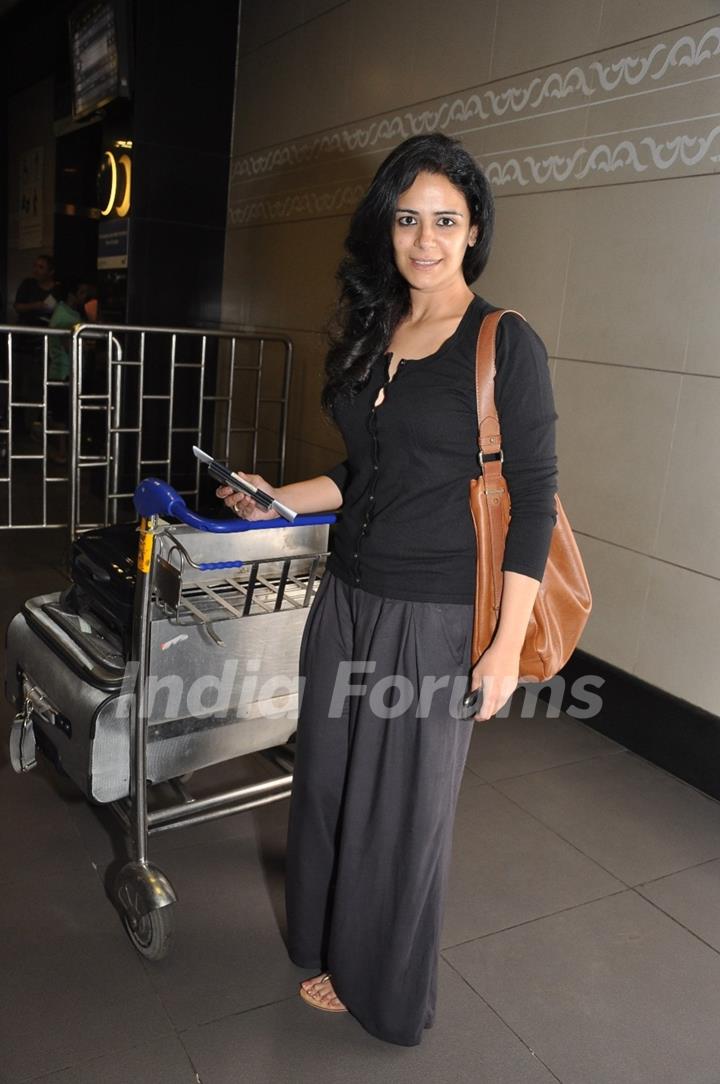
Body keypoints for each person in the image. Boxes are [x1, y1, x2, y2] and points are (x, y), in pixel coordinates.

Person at [216, 133, 558, 1046]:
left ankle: (386, 991)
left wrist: (502, 648)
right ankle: (328, 941)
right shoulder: (376, 330)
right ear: (386, 228)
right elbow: (360, 473)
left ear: (473, 229)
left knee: (400, 812)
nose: (426, 240)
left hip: (436, 612)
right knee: (327, 784)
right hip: (349, 597)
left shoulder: (503, 342)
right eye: (408, 219)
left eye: (446, 220)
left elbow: (532, 503)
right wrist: (269, 501)